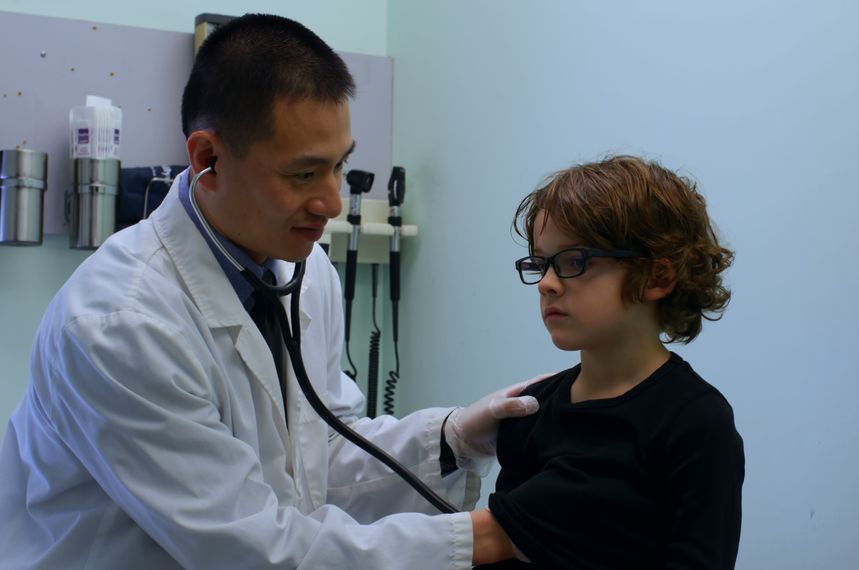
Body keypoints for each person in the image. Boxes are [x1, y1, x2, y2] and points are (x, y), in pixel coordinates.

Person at [0, 14, 532, 569]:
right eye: (303, 175)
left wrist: (454, 437)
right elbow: (249, 549)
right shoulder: (120, 323)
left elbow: (318, 453)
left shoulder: (306, 270)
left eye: (340, 166)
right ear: (208, 158)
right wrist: (488, 537)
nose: (331, 202)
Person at [479, 155, 745, 569]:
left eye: (574, 262)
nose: (547, 284)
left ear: (658, 276)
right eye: (541, 263)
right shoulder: (531, 411)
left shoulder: (696, 421)